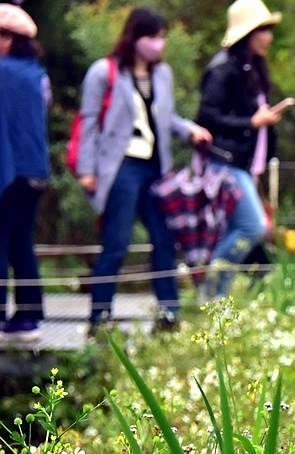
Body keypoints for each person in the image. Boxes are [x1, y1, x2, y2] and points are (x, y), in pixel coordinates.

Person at [75, 7, 211, 334]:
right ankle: (100, 317)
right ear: (135, 36)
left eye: (162, 38)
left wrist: (190, 129)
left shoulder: (162, 74)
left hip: (156, 167)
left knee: (164, 240)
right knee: (116, 242)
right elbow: (89, 122)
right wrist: (86, 169)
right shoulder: (104, 72)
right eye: (152, 37)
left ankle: (168, 315)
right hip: (121, 166)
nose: (158, 45)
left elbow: (167, 117)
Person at [196, 0, 294, 300]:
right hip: (225, 162)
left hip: (245, 163)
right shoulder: (223, 69)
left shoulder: (251, 68)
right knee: (253, 227)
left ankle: (217, 299)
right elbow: (206, 116)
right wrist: (251, 122)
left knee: (240, 229)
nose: (269, 37)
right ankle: (210, 292)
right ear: (248, 33)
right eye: (263, 30)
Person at [0, 3, 49, 342]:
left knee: (3, 242)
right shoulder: (36, 73)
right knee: (21, 243)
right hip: (35, 169)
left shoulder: (4, 72)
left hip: (11, 169)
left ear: (14, 39)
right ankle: (29, 315)